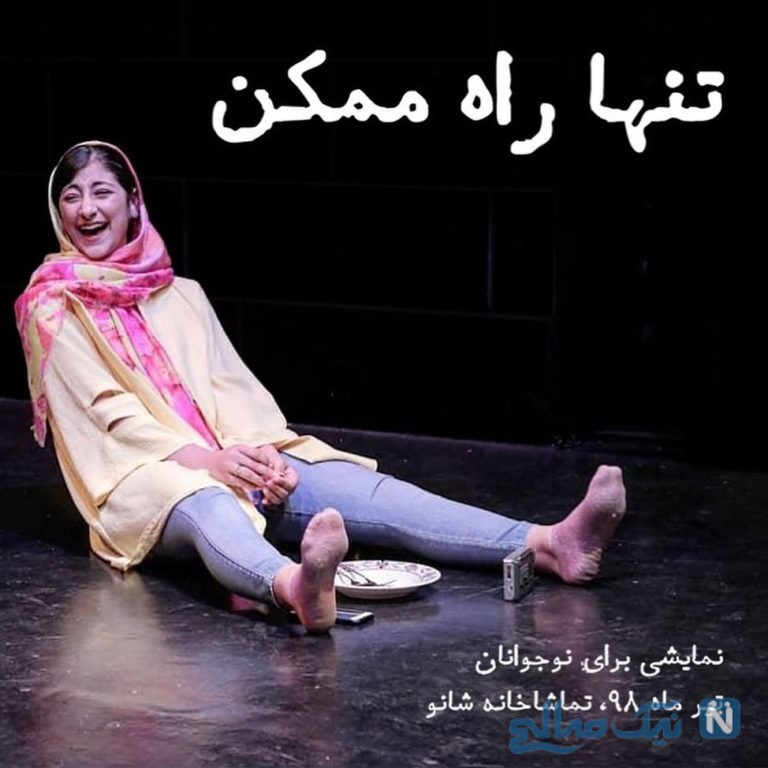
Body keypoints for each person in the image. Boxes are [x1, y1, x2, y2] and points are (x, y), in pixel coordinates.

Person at [15, 140, 626, 633]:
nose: (87, 209)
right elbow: (108, 418)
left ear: (133, 203)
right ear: (58, 212)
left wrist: (260, 454)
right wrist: (211, 463)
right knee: (203, 502)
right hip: (142, 480)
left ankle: (551, 543)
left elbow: (232, 388)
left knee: (365, 491)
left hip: (235, 457)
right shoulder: (51, 309)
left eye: (102, 191)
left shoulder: (182, 294)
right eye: (72, 196)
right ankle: (297, 588)